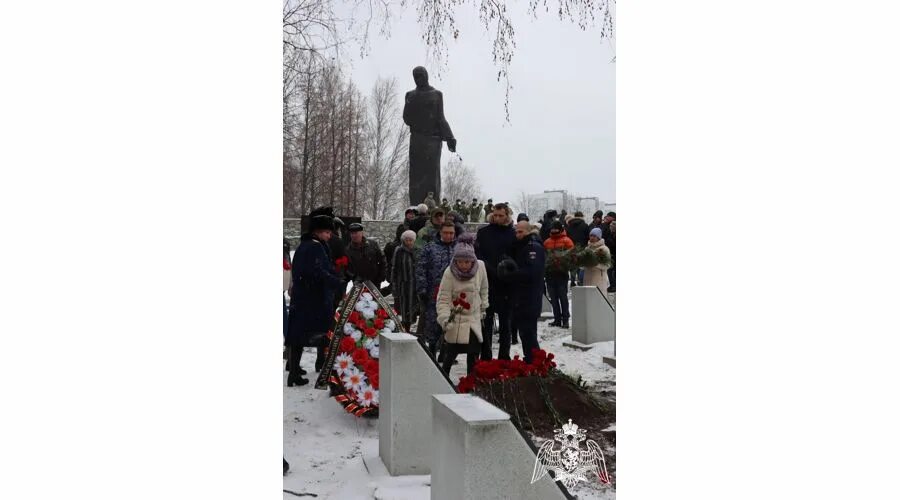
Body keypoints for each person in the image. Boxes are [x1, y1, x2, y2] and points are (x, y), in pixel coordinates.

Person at [286, 214, 343, 386]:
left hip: (302, 297)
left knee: (298, 335)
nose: (329, 236)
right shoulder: (315, 247)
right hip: (313, 300)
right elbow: (319, 272)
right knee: (320, 334)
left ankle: (294, 371)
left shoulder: (305, 245)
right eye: (327, 232)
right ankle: (321, 368)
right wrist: (336, 282)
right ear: (318, 232)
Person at [436, 233, 489, 375]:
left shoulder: (480, 267)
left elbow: (484, 288)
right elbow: (443, 298)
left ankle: (471, 383)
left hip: (473, 319)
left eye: (467, 262)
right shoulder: (449, 272)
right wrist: (445, 318)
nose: (463, 265)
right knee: (450, 354)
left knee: (473, 354)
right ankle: (444, 379)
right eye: (460, 261)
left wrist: (484, 306)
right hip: (456, 320)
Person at [498, 221, 546, 364]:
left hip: (529, 298)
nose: (518, 235)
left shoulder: (533, 248)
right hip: (520, 297)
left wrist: (511, 274)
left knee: (529, 334)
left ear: (528, 231)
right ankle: (532, 361)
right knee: (525, 333)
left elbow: (532, 272)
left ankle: (535, 363)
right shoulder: (520, 247)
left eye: (521, 232)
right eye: (517, 232)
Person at [475, 202, 516, 360]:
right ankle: (486, 356)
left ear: (507, 215)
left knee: (506, 323)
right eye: (496, 215)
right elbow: (479, 255)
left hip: (506, 285)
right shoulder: (484, 232)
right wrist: (491, 270)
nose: (498, 218)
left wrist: (508, 269)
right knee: (487, 322)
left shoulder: (512, 234)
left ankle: (504, 357)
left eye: (501, 215)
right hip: (487, 282)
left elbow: (516, 256)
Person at [415, 222, 457, 357]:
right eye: (446, 232)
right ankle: (432, 351)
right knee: (433, 325)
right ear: (440, 233)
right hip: (433, 292)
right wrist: (422, 290)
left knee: (450, 323)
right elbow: (421, 269)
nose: (449, 235)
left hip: (454, 294)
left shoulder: (458, 249)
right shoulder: (430, 248)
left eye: (451, 233)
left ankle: (446, 354)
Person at [543, 220, 575, 328]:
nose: (554, 230)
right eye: (552, 229)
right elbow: (544, 256)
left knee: (562, 296)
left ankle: (565, 319)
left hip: (562, 273)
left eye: (555, 229)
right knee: (553, 297)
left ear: (560, 229)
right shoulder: (547, 242)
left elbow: (572, 255)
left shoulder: (567, 241)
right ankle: (557, 319)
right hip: (550, 273)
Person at [391, 230, 419, 331]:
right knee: (403, 307)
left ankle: (410, 327)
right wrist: (394, 284)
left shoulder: (417, 251)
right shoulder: (399, 250)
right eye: (407, 239)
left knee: (413, 307)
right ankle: (404, 327)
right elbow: (394, 268)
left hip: (414, 284)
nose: (409, 242)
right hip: (402, 283)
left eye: (411, 240)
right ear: (403, 240)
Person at [583, 228, 613, 294]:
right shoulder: (587, 248)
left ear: (599, 237)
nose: (592, 238)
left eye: (594, 236)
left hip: (599, 278)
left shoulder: (604, 249)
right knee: (588, 299)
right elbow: (583, 265)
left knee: (598, 297)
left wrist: (595, 263)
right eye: (591, 235)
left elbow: (607, 265)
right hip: (587, 277)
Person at [567, 211, 591, 285]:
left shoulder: (569, 225)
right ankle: (580, 281)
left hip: (572, 248)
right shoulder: (585, 225)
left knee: (573, 265)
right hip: (582, 247)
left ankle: (573, 281)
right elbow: (588, 237)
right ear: (582, 216)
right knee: (581, 265)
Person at [607, 220, 616, 293]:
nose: (611, 228)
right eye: (610, 227)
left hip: (615, 255)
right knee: (609, 271)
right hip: (611, 256)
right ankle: (612, 285)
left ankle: (614, 286)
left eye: (612, 227)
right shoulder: (610, 234)